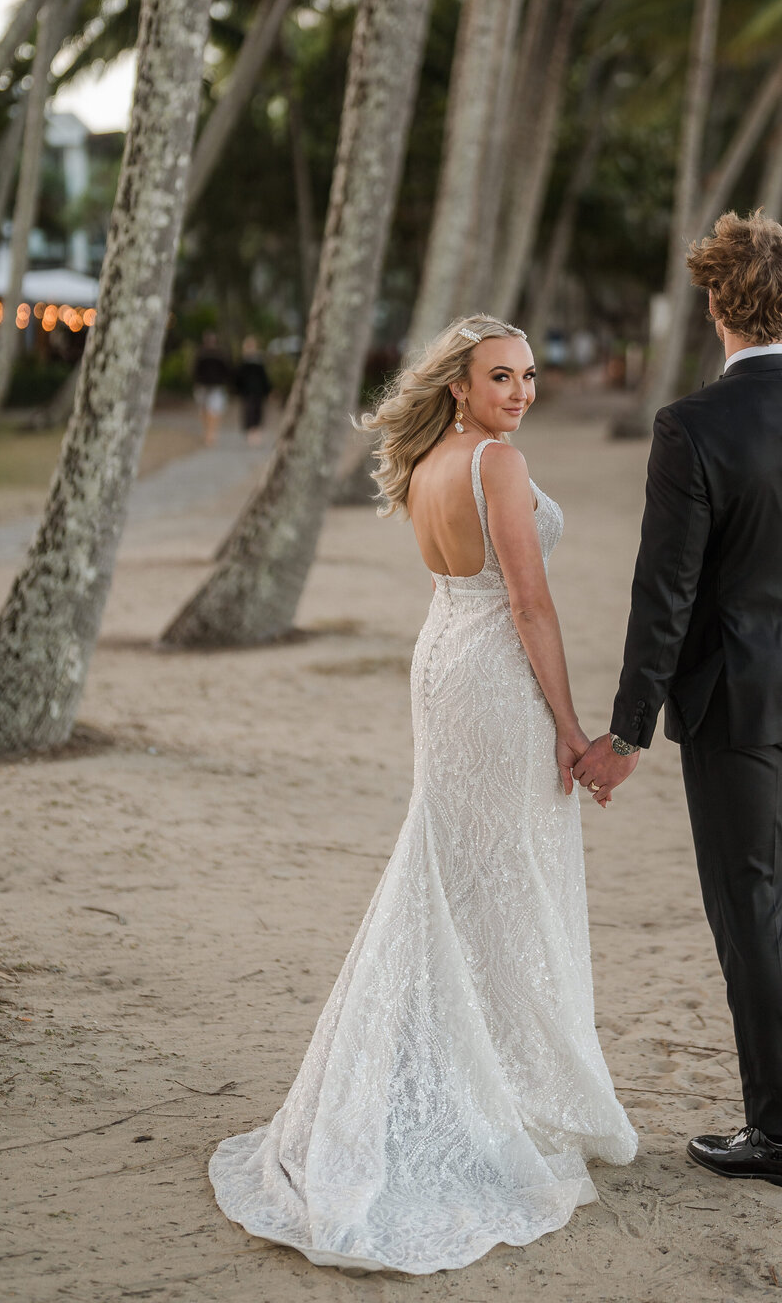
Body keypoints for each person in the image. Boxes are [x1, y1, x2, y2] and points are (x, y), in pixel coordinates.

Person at [209, 315, 636, 1274]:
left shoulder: (429, 462)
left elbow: (471, 585)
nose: (521, 393)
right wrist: (572, 730)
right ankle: (490, 1093)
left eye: (528, 377)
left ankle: (462, 1077)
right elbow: (529, 603)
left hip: (444, 661)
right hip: (492, 682)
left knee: (452, 876)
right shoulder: (495, 466)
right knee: (504, 884)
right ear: (460, 385)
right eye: (501, 378)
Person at [574, 210, 782, 1191]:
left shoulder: (693, 427)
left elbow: (664, 592)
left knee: (754, 903)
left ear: (718, 303)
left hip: (735, 704)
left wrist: (628, 727)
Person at [191, 330, 232, 448]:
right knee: (205, 411)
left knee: (213, 411)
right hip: (203, 386)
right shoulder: (201, 354)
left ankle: (211, 433)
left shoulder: (219, 355)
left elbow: (226, 371)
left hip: (215, 387)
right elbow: (195, 371)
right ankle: (208, 432)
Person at [234, 335, 273, 445]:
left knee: (258, 411)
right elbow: (238, 377)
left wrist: (268, 390)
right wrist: (238, 389)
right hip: (247, 391)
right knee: (249, 411)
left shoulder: (259, 361)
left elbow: (264, 377)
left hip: (258, 391)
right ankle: (251, 432)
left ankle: (256, 432)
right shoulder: (243, 362)